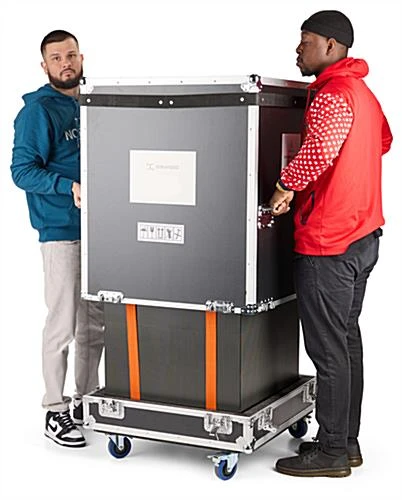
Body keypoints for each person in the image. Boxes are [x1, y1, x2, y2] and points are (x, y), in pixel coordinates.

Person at [269, 11, 392, 477]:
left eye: (305, 41)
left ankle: (333, 452)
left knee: (327, 350)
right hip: (363, 236)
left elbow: (318, 152)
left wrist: (286, 187)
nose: (297, 49)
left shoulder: (333, 93)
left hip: (330, 242)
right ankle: (346, 442)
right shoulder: (363, 93)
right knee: (345, 342)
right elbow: (383, 141)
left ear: (330, 45)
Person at [11, 30, 104, 448]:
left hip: (103, 231)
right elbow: (22, 171)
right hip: (61, 232)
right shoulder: (37, 111)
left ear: (82, 58)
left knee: (94, 325)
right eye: (56, 58)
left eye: (71, 55)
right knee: (62, 324)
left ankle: (87, 400)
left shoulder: (95, 103)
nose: (65, 63)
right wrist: (69, 187)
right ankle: (54, 408)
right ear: (44, 65)